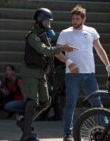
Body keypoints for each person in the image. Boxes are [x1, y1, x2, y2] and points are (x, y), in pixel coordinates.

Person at [18, 8, 77, 141]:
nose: (48, 24)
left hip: (40, 72)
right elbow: (44, 50)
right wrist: (62, 48)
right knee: (32, 102)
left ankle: (24, 122)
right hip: (30, 72)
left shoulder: (44, 35)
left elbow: (50, 52)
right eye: (46, 22)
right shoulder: (32, 36)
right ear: (39, 21)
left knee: (45, 102)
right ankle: (26, 135)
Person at [56, 5, 110, 141]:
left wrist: (108, 66)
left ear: (83, 19)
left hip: (90, 75)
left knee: (97, 103)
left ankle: (105, 130)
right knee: (70, 104)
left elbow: (99, 49)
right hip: (72, 75)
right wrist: (68, 62)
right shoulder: (65, 32)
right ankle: (67, 134)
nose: (74, 21)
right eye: (73, 18)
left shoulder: (91, 31)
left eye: (77, 19)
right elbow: (57, 52)